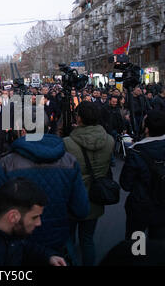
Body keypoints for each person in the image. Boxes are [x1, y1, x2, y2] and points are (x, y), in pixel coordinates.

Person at [0, 124, 90, 260]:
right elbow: (81, 210)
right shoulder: (70, 161)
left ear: (23, 131)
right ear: (47, 129)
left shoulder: (7, 163)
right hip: (57, 240)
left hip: (19, 241)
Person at [63, 101, 115, 266]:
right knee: (87, 239)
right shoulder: (109, 140)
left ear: (78, 118)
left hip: (73, 196)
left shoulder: (68, 143)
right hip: (95, 194)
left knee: (68, 238)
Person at [120, 110, 165, 241]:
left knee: (136, 245)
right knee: (157, 244)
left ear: (146, 129)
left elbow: (126, 183)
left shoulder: (136, 151)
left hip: (141, 207)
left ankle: (137, 259)